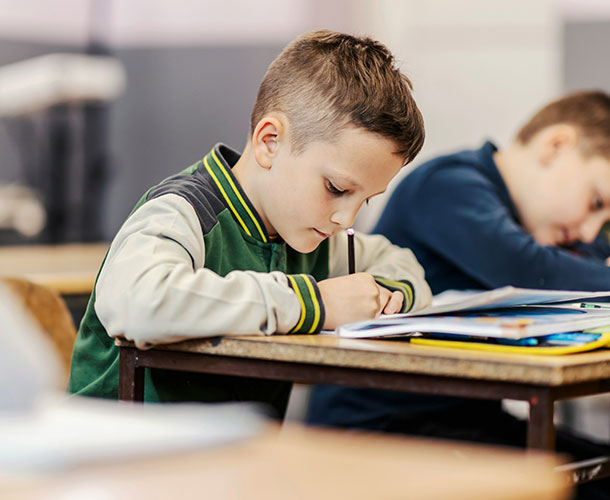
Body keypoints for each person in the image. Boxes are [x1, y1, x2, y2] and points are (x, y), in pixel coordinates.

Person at [307, 91, 610, 499]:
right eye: (595, 202)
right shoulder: (448, 185)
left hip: (465, 422)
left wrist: (606, 266)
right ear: (556, 146)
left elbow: (593, 252)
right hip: (380, 429)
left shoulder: (528, 225)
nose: (590, 230)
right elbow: (527, 268)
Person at [67, 30, 432, 418]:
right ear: (270, 142)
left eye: (366, 199)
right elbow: (139, 303)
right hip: (118, 462)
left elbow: (405, 269)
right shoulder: (185, 211)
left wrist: (384, 297)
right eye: (336, 188)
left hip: (232, 460)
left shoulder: (315, 234)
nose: (346, 219)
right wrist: (315, 304)